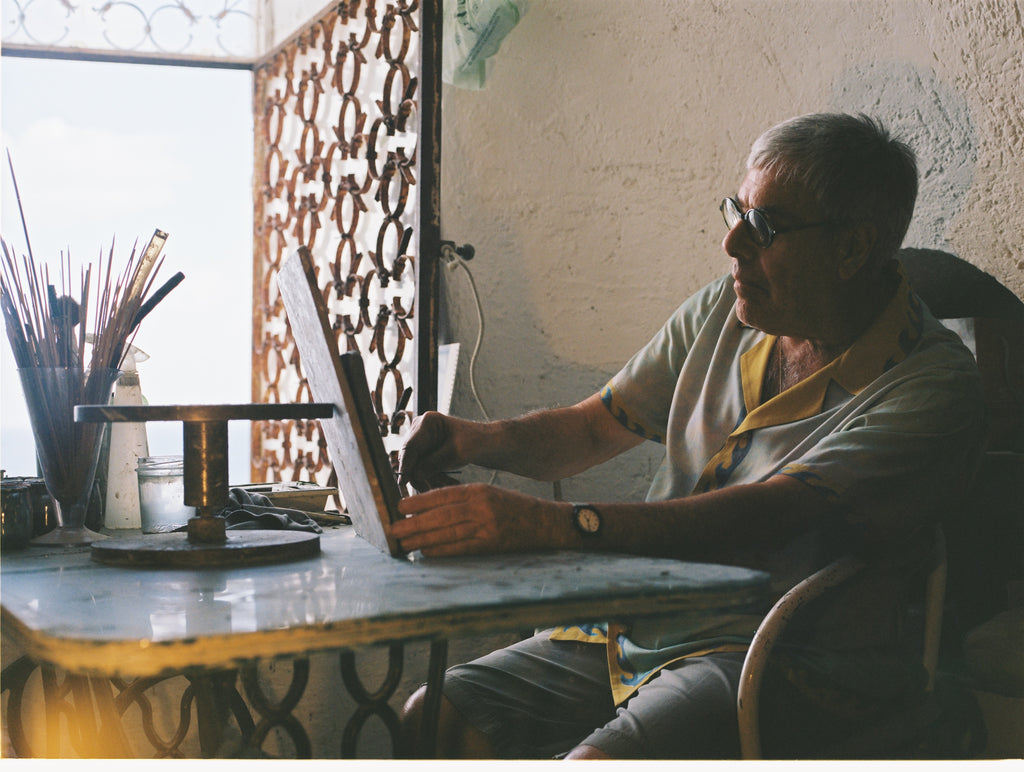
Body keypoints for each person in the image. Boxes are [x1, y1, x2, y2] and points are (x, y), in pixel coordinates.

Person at [391, 113, 985, 759]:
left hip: (781, 653)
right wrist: (473, 440)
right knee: (433, 717)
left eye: (764, 227)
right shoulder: (726, 309)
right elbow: (591, 428)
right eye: (737, 211)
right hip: (645, 618)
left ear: (851, 249)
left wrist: (552, 524)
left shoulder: (932, 385)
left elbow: (765, 517)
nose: (733, 243)